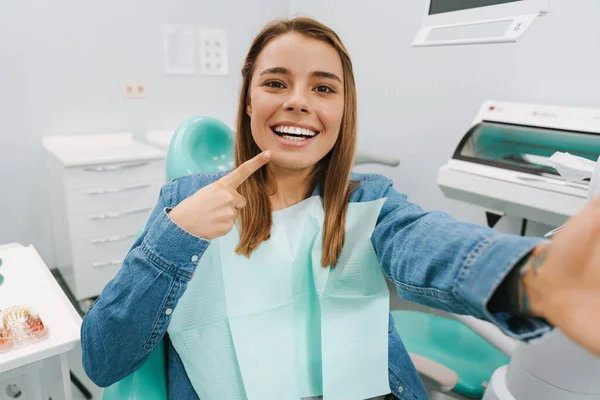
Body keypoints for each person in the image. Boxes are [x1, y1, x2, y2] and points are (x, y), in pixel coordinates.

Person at [81, 17, 600, 400]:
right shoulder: (182, 203)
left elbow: (432, 245)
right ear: (247, 101)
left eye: (323, 88)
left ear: (342, 110)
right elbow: (102, 360)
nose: (298, 101)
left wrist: (533, 277)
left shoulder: (368, 203)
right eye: (276, 83)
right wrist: (176, 239)